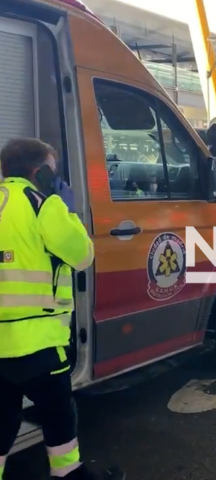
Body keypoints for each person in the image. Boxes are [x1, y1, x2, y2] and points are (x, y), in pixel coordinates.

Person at [0, 139, 120, 479]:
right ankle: (68, 476)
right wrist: (64, 209)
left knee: (3, 419)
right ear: (43, 172)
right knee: (57, 415)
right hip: (38, 342)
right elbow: (82, 255)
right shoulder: (43, 205)